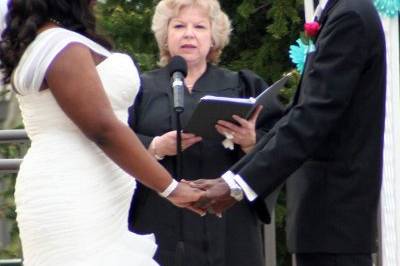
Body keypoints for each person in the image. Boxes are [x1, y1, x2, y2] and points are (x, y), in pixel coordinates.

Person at [0, 1, 205, 265]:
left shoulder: (47, 38)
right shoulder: (60, 45)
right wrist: (171, 188)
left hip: (97, 201)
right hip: (74, 195)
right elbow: (102, 129)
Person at [191, 0, 387, 266]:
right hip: (323, 224)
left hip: (335, 220)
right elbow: (297, 116)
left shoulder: (349, 15)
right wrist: (233, 178)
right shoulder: (340, 12)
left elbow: (312, 118)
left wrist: (237, 186)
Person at [127, 0, 284, 265]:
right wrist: (154, 147)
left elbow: (281, 145)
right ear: (165, 35)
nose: (189, 33)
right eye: (179, 26)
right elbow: (114, 142)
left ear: (213, 38)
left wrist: (250, 144)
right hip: (158, 220)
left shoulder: (243, 86)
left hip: (227, 222)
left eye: (199, 26)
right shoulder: (139, 89)